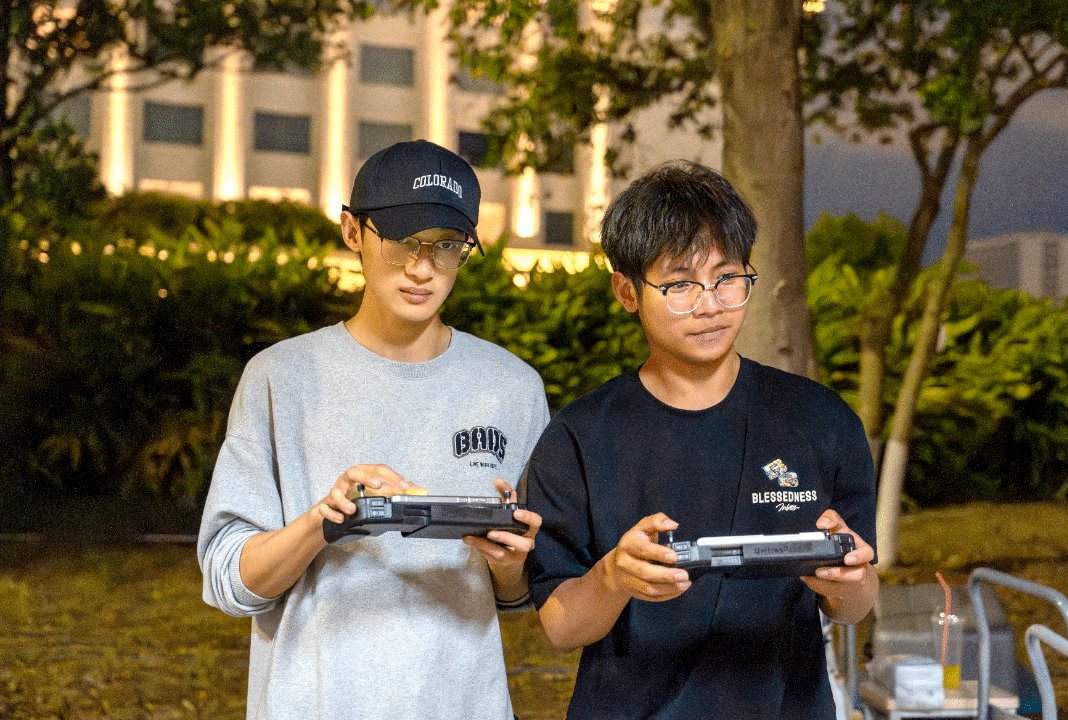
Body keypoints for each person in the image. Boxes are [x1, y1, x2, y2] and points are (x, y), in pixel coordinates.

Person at [198, 139, 550, 720]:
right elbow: (228, 582)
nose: (422, 269)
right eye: (403, 241)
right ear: (352, 231)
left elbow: (516, 597)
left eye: (447, 247)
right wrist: (323, 521)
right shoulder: (281, 377)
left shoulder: (512, 387)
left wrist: (509, 563)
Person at [524, 160, 878, 720]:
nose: (710, 304)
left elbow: (855, 605)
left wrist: (844, 581)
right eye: (680, 284)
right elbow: (560, 627)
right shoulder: (579, 436)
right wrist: (615, 576)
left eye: (727, 278)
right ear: (627, 291)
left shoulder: (820, 419)